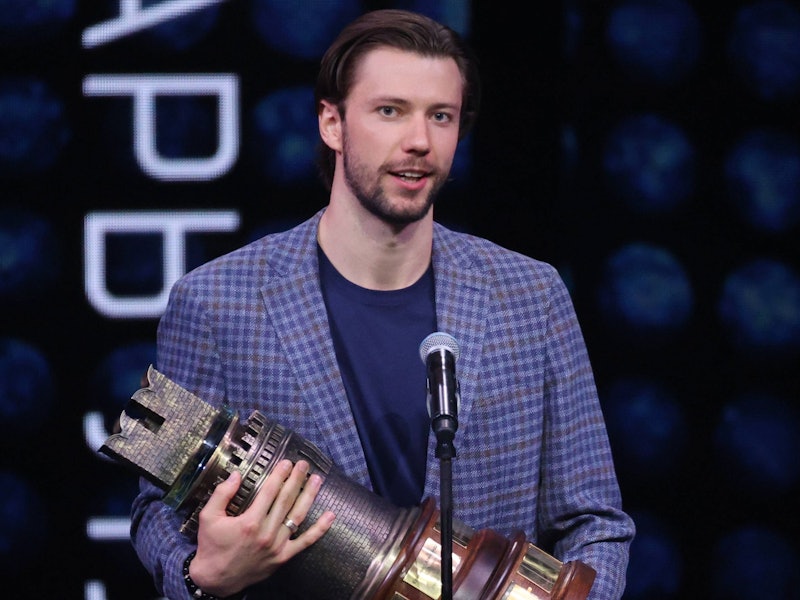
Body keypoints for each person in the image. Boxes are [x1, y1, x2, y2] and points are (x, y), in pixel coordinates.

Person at [130, 8, 635, 600]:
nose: (419, 141)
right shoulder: (217, 301)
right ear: (332, 123)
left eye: (440, 116)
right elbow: (156, 505)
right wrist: (202, 577)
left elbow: (594, 522)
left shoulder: (531, 296)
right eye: (390, 111)